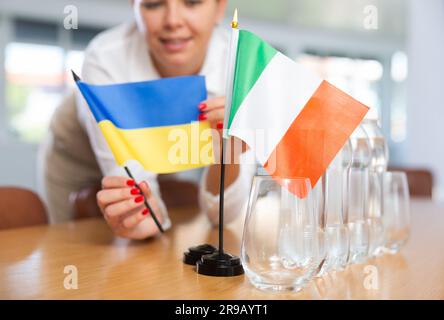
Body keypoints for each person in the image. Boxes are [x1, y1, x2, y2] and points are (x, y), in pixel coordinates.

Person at [75, 0, 255, 240]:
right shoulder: (106, 58)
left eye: (192, 2)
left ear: (220, 7)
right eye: (153, 4)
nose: (173, 21)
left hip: (163, 148)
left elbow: (221, 216)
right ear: (134, 7)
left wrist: (228, 155)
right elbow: (141, 198)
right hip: (80, 155)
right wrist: (144, 214)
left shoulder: (242, 63)